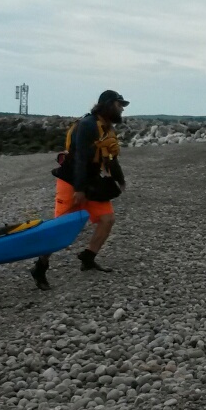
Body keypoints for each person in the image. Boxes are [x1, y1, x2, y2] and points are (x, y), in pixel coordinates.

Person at [31, 90, 128, 289]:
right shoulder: (87, 125)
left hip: (90, 181)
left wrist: (121, 180)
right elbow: (81, 159)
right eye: (119, 105)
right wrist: (80, 189)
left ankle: (88, 258)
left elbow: (111, 158)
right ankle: (40, 267)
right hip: (72, 182)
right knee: (60, 229)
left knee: (107, 219)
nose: (122, 109)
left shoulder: (107, 129)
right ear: (108, 104)